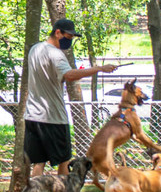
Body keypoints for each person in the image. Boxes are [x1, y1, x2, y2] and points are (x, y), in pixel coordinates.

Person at [23, 18, 117, 180]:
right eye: (68, 36)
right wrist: (99, 68)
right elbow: (69, 75)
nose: (70, 40)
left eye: (72, 37)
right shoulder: (56, 54)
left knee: (39, 162)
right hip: (53, 117)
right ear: (57, 32)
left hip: (32, 116)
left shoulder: (35, 49)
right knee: (64, 161)